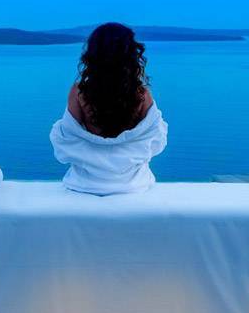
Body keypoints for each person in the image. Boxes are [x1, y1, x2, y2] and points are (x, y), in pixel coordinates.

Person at [49, 23, 168, 195]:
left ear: (93, 54)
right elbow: (156, 138)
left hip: (84, 184)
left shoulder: (79, 93)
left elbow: (65, 136)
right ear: (131, 54)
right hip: (133, 184)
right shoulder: (141, 94)